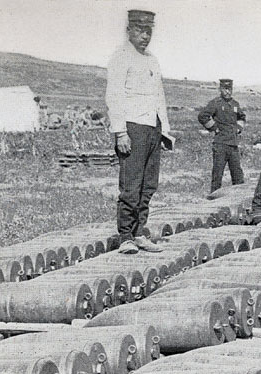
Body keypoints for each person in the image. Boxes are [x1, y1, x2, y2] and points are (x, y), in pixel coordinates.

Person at [105, 8, 170, 254]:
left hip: (152, 129)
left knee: (148, 185)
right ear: (128, 30)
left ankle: (140, 232)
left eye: (149, 31)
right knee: (131, 186)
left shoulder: (151, 59)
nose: (145, 35)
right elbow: (114, 97)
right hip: (132, 128)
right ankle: (125, 237)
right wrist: (120, 133)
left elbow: (159, 97)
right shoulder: (121, 58)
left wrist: (164, 131)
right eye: (140, 30)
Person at [199, 78, 247, 196]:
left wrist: (239, 129)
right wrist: (214, 128)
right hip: (220, 144)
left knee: (238, 176)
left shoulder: (235, 104)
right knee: (217, 176)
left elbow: (242, 117)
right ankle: (213, 201)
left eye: (229, 89)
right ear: (220, 89)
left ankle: (238, 201)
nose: (228, 92)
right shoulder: (216, 103)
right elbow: (202, 116)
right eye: (225, 89)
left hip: (233, 145)